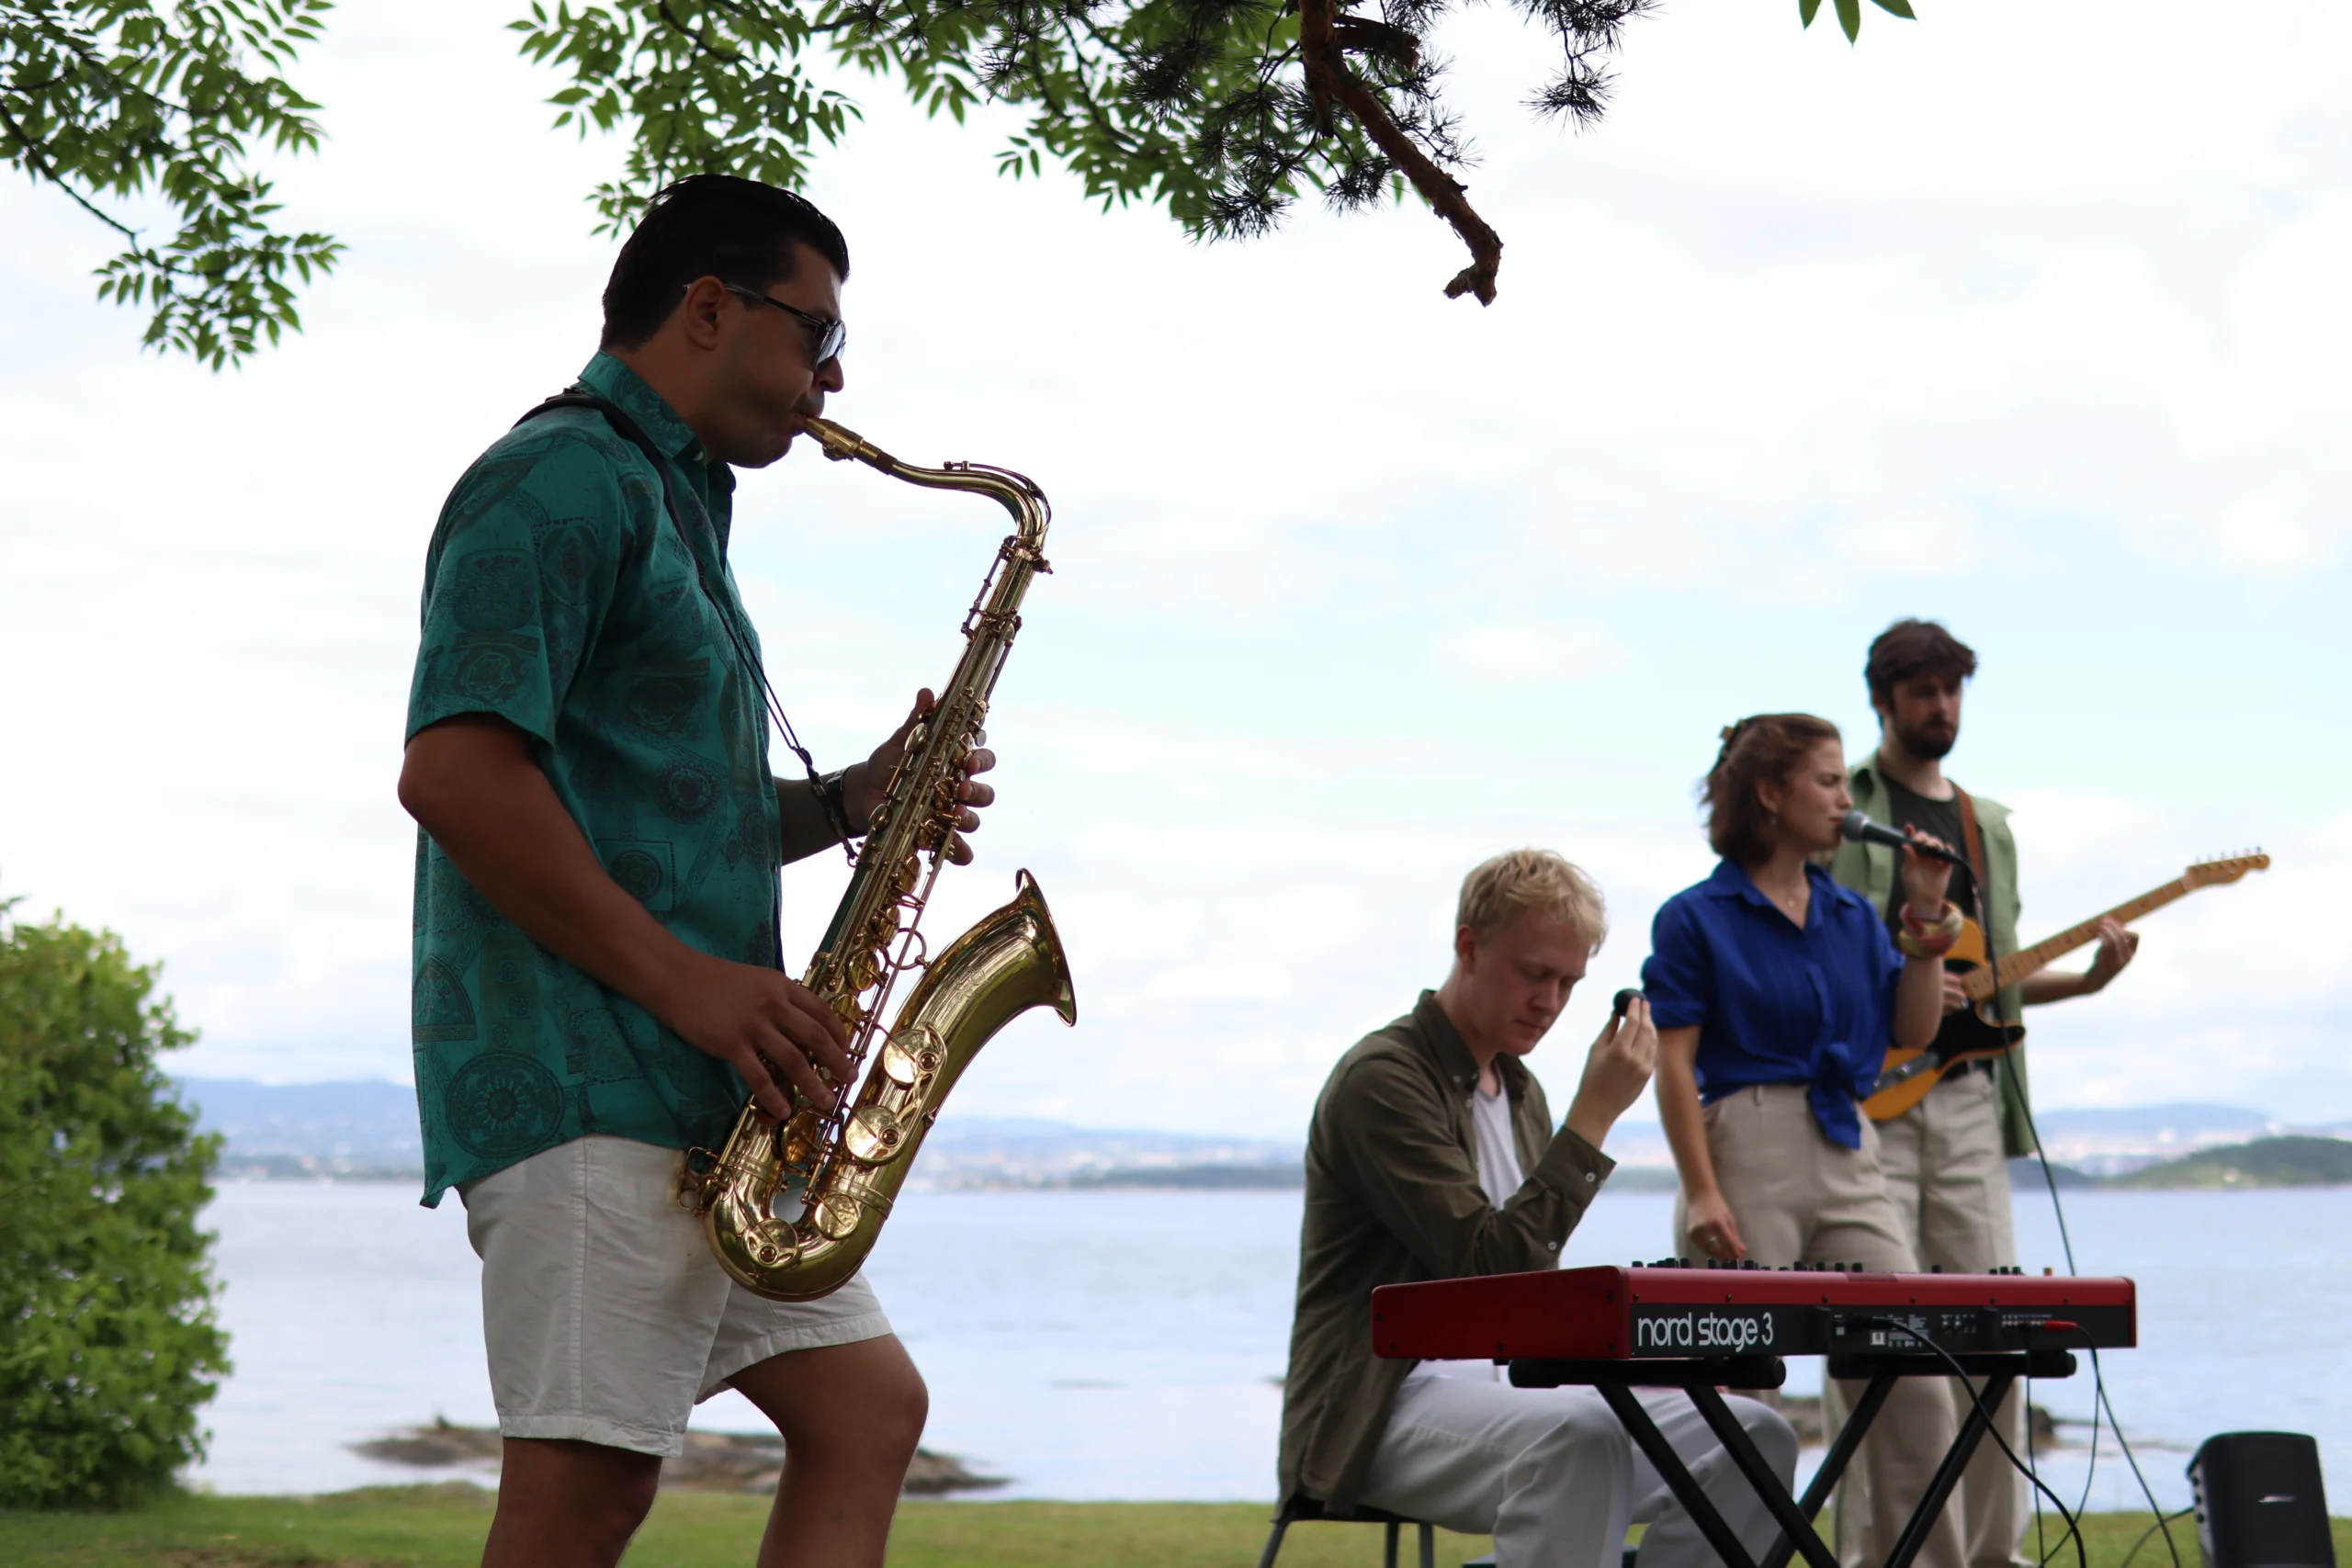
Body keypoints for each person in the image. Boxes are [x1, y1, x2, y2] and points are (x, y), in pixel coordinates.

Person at [397, 175, 996, 1568]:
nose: (830, 377)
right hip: (589, 1075)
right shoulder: (553, 477)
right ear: (710, 308)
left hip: (695, 1097)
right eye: (815, 334)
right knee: (585, 1500)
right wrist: (694, 985)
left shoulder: (675, 501)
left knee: (865, 1410)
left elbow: (659, 805)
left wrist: (857, 799)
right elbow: (457, 775)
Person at [1279, 850, 1798, 1568]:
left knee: (1755, 1436)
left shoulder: (1520, 1092)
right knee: (1576, 1437)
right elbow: (1489, 1269)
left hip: (1515, 1390)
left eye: (1568, 982)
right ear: (1469, 946)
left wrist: (1645, 1361)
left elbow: (1527, 1296)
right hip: (1378, 1405)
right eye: (1534, 973)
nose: (1550, 1002)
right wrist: (1593, 1118)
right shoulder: (1384, 1080)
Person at [1826, 619, 2140, 1568]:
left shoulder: (1986, 825)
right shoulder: (1849, 807)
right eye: (1922, 690)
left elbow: (1981, 974)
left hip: (1967, 1099)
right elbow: (1824, 944)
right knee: (1873, 1341)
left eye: (1952, 689)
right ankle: (1882, 1559)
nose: (1941, 706)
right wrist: (1905, 978)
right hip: (1866, 1101)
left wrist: (2082, 983)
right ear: (1883, 698)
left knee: (1995, 1333)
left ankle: (1993, 1559)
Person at [1641, 714, 1967, 1568]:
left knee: (1914, 1380)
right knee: (1738, 1396)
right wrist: (1703, 1188)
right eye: (1827, 780)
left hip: (1849, 1142)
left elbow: (1912, 1027)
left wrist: (1928, 911)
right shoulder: (1694, 917)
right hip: (1744, 1140)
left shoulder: (1854, 917)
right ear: (1770, 793)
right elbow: (1674, 1064)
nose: (1844, 797)